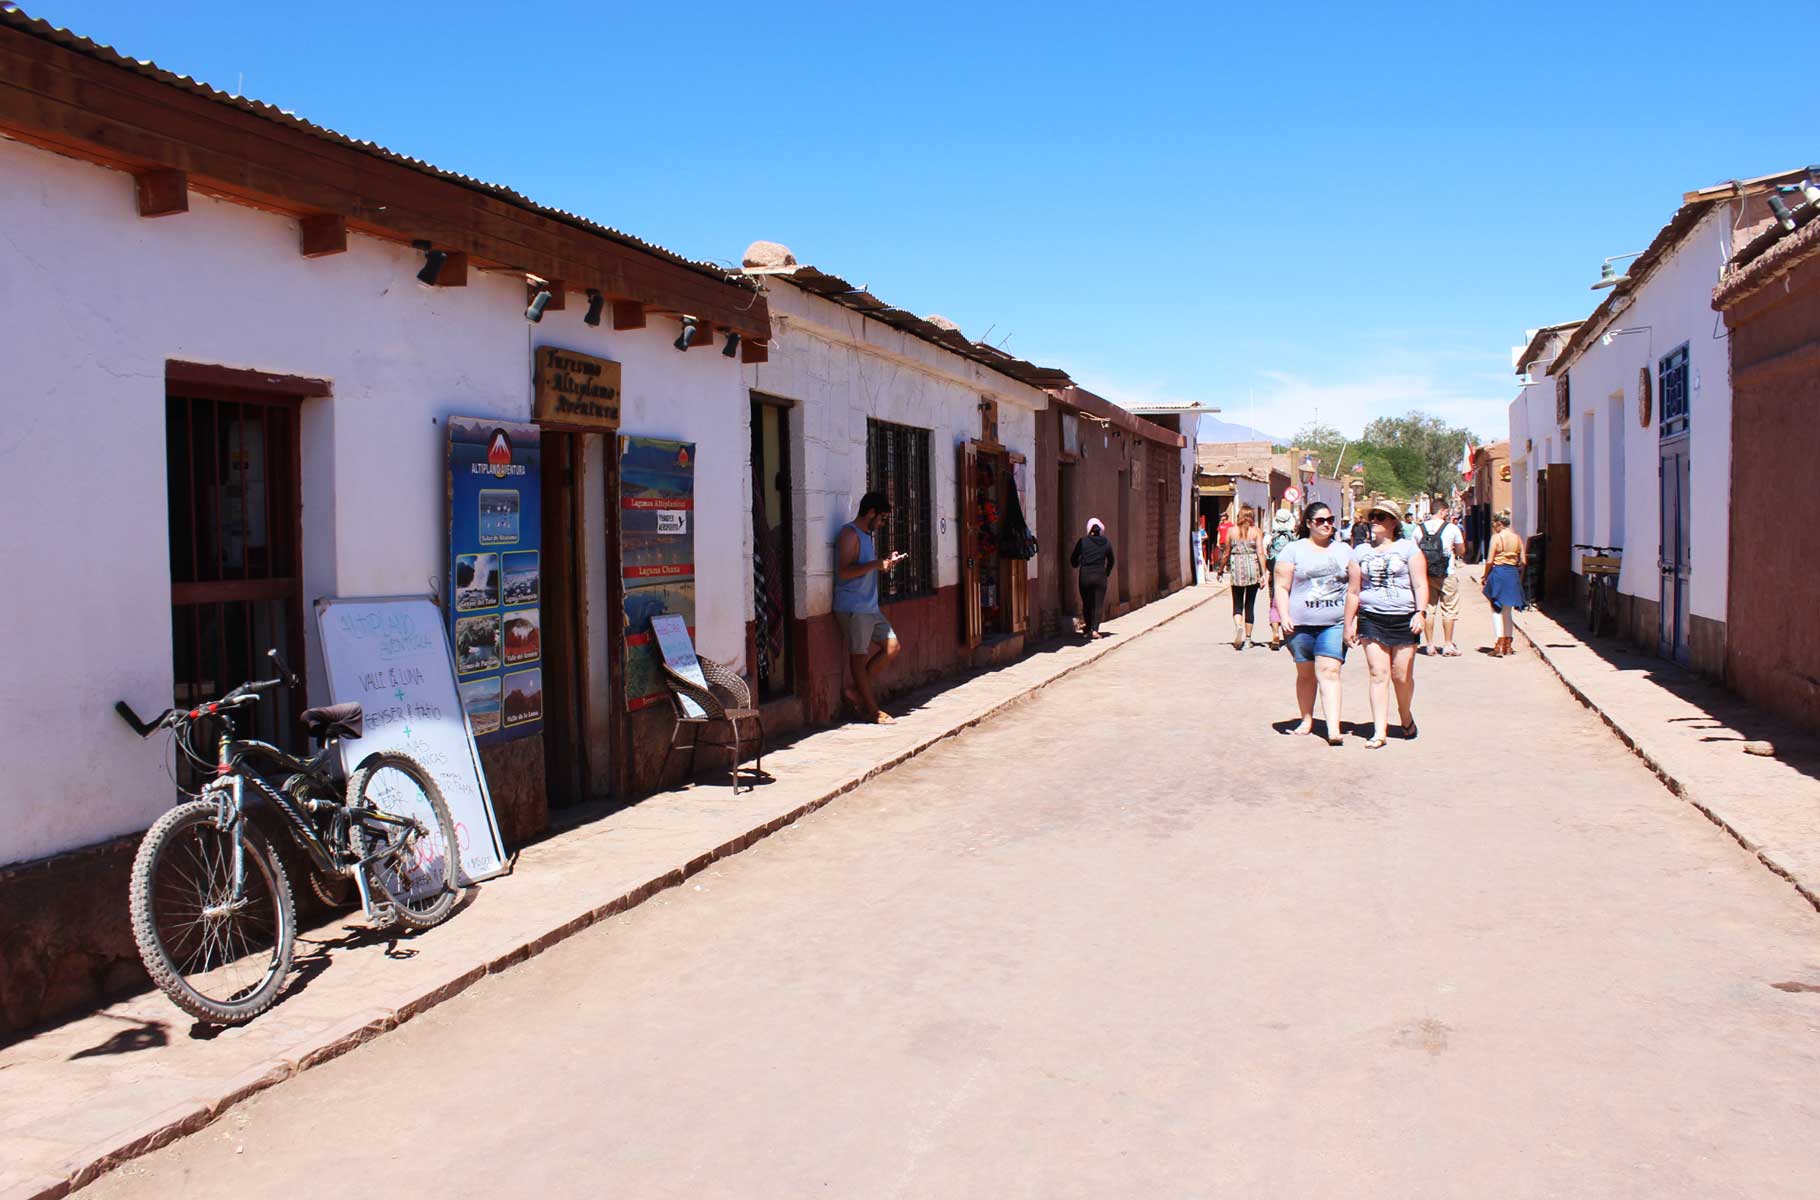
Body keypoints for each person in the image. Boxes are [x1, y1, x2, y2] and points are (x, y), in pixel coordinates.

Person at [1345, 499, 1429, 748]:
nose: (1374, 521)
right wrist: (1349, 623)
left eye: (1381, 517)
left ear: (1394, 522)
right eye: (1373, 516)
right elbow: (1353, 590)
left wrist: (1420, 612)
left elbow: (1420, 584)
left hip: (1404, 618)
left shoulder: (1408, 549)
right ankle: (1379, 731)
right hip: (1372, 618)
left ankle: (1405, 716)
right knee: (1378, 673)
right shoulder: (1360, 551)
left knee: (1401, 676)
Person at [1273, 502, 1350, 746]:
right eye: (1320, 520)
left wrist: (1353, 620)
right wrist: (1283, 615)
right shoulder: (1292, 551)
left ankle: (1333, 727)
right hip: (1299, 624)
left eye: (1330, 519)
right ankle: (1307, 719)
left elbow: (1356, 587)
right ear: (1308, 524)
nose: (1327, 524)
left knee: (1329, 671)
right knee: (1306, 675)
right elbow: (1282, 586)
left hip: (1334, 623)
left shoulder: (1344, 551)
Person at [834, 491, 907, 724]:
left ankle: (857, 691)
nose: (883, 523)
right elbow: (844, 572)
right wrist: (877, 564)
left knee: (892, 647)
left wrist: (885, 562)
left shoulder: (866, 536)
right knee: (858, 656)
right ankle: (873, 710)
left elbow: (866, 566)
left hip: (870, 606)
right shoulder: (849, 534)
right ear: (872, 512)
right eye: (883, 518)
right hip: (854, 606)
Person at [1416, 507, 1465, 657]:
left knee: (1429, 609)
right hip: (1447, 573)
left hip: (1426, 574)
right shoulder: (1451, 528)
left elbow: (1414, 551)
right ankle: (1448, 644)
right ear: (1443, 511)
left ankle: (1430, 645)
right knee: (1449, 609)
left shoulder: (1419, 529)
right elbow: (1461, 551)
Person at [1482, 509, 1528, 657]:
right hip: (1512, 574)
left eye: (1494, 524)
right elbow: (1524, 561)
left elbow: (1489, 560)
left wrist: (1485, 575)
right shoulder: (1517, 538)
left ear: (1499, 523)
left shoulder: (1496, 538)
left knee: (1496, 608)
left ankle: (1499, 643)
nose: (1493, 526)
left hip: (1498, 573)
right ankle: (1508, 645)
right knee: (1507, 611)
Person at [1223, 505, 1266, 649]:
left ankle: (1238, 625)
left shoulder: (1231, 531)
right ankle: (1248, 639)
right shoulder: (1257, 532)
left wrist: (1220, 569)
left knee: (1237, 603)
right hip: (1252, 569)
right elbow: (1260, 552)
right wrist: (1263, 573)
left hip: (1237, 570)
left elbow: (1226, 552)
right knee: (1250, 605)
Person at [1070, 517, 1116, 639]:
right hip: (1100, 576)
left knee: (1087, 603)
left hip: (1085, 576)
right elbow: (1111, 560)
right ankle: (1095, 630)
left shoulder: (1083, 541)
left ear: (1089, 529)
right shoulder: (1106, 542)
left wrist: (1078, 562)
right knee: (1098, 604)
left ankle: (1088, 628)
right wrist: (1107, 572)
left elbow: (1073, 559)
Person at [1264, 507, 1297, 650]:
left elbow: (1266, 555)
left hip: (1275, 573)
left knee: (1274, 602)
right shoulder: (1294, 539)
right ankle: (1288, 635)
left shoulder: (1269, 537)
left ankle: (1275, 634)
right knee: (1288, 604)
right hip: (1291, 575)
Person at [1216, 509, 1234, 583]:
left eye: (1222, 516)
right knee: (1220, 558)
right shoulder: (1221, 525)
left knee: (1227, 558)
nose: (1221, 517)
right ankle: (1221, 573)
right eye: (1221, 516)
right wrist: (1218, 542)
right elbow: (1219, 533)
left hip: (1228, 543)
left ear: (1226, 517)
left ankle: (1230, 572)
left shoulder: (1230, 525)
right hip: (1222, 542)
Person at [1190, 517, 1207, 587]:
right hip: (1196, 547)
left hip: (1201, 547)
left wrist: (1201, 538)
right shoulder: (1196, 532)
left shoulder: (1202, 531)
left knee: (1202, 560)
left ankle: (1205, 573)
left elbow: (1206, 536)